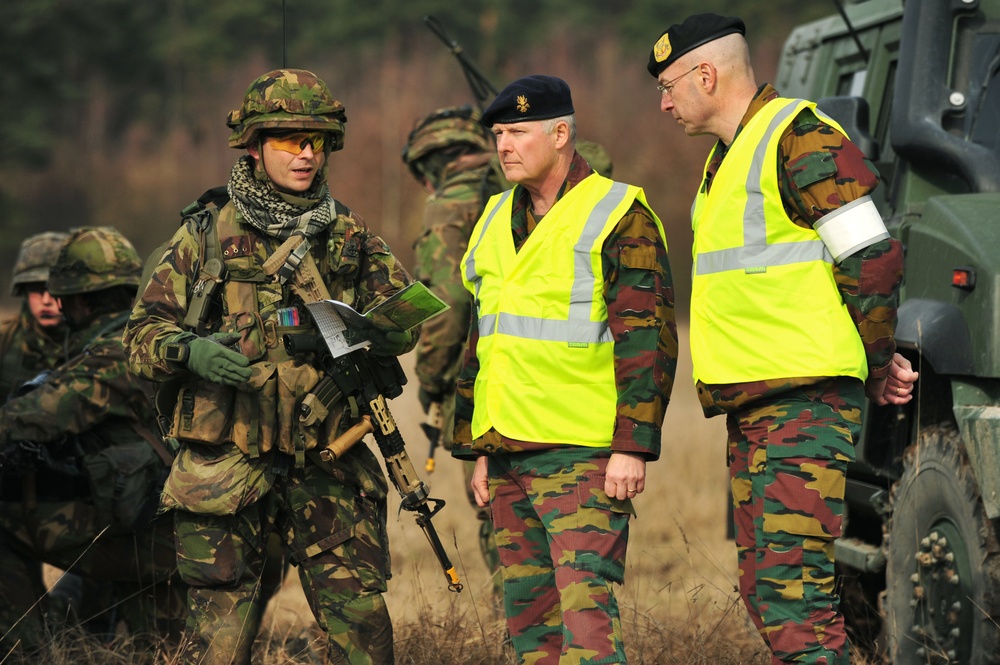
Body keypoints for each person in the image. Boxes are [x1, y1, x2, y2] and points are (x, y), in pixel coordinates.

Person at [646, 14, 919, 664]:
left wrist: (876, 362)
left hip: (804, 407)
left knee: (794, 603)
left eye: (668, 85)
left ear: (706, 75)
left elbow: (871, 256)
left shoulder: (799, 138)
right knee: (766, 595)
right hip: (757, 412)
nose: (663, 103)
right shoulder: (727, 157)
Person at [123, 68, 417, 665]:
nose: (306, 153)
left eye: (316, 140)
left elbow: (404, 319)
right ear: (254, 147)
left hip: (328, 460)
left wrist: (378, 333)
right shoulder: (202, 237)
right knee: (218, 646)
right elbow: (139, 340)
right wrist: (191, 351)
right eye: (289, 140)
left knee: (363, 633)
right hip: (226, 468)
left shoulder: (349, 235)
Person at [452, 74, 678, 665]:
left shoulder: (618, 213)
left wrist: (634, 446)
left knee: (587, 627)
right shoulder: (495, 215)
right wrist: (478, 445)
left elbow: (648, 341)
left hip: (581, 458)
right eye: (498, 134)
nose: (503, 145)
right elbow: (484, 339)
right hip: (506, 453)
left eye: (517, 132)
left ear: (560, 134)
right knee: (530, 628)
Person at [0, 226, 185, 660]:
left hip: (170, 540)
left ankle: (29, 653)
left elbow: (38, 414)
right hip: (187, 527)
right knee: (157, 649)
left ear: (79, 300)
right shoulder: (159, 333)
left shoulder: (117, 352)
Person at [401, 104, 505, 597]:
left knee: (500, 515)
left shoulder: (451, 205)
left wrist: (433, 379)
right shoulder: (531, 184)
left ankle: (527, 638)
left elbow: (445, 303)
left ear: (432, 165)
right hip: (567, 377)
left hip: (487, 387)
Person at [0, 231, 70, 401]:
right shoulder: (5, 339)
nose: (46, 300)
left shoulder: (92, 345)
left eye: (54, 290)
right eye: (37, 290)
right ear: (24, 291)